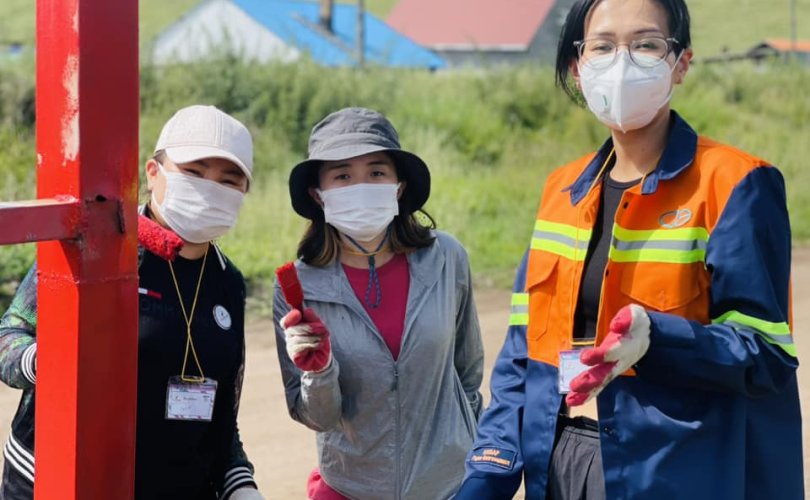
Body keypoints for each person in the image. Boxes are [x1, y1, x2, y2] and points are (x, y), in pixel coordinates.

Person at [457, 0, 803, 499]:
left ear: (680, 63)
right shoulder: (561, 190)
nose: (622, 62)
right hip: (562, 462)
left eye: (645, 44)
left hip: (674, 472)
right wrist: (487, 476)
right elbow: (522, 355)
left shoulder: (735, 184)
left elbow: (766, 353)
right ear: (579, 68)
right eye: (603, 46)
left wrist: (656, 339)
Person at [0, 105, 265, 500]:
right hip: (58, 483)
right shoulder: (94, 251)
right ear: (153, 172)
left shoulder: (227, 282)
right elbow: (9, 336)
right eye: (193, 173)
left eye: (229, 180)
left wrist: (240, 485)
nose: (210, 188)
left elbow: (221, 418)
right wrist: (49, 361)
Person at [273, 107, 484, 500]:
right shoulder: (298, 287)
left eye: (376, 172)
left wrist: (464, 451)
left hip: (449, 487)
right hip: (349, 488)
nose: (361, 185)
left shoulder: (446, 258)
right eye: (342, 176)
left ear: (398, 186)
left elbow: (467, 372)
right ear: (318, 195)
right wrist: (318, 372)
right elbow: (317, 417)